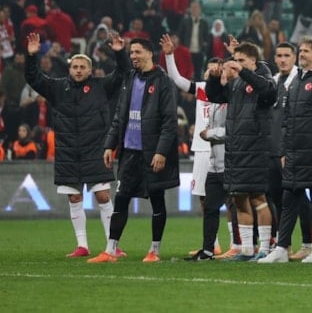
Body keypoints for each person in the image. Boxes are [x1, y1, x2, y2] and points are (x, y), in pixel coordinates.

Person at [24, 32, 127, 258]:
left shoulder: (101, 86)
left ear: (90, 70)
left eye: (83, 67)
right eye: (75, 67)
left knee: (103, 196)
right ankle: (82, 246)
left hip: (96, 150)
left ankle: (113, 245)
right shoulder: (58, 88)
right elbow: (34, 79)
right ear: (69, 69)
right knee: (74, 198)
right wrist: (31, 56)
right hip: (68, 152)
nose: (78, 70)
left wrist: (120, 53)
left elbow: (122, 73)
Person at [88, 38, 180, 263]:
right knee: (121, 199)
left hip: (152, 152)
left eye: (137, 52)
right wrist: (109, 144)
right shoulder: (129, 78)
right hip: (130, 152)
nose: (133, 56)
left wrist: (161, 152)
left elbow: (169, 121)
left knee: (157, 200)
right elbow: (119, 115)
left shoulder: (163, 82)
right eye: (131, 53)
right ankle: (110, 250)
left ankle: (154, 251)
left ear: (149, 53)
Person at [262, 36, 312, 264]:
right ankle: (282, 248)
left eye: (306, 51)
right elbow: (286, 121)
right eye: (301, 50)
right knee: (288, 200)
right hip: (294, 153)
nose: (302, 54)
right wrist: (284, 151)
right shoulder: (296, 81)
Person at [205, 41, 277, 261]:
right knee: (238, 198)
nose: (236, 64)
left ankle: (264, 248)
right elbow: (215, 96)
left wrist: (243, 71)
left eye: (241, 60)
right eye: (234, 60)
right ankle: (246, 249)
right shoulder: (236, 84)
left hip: (255, 147)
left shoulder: (263, 79)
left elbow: (268, 91)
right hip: (235, 149)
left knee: (258, 198)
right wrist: (214, 78)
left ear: (253, 61)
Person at [161, 34, 226, 259]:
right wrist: (169, 56)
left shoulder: (228, 90)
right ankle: (213, 244)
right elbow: (177, 79)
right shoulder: (201, 89)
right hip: (201, 148)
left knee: (232, 199)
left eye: (217, 68)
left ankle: (238, 244)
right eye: (210, 69)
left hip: (222, 147)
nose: (212, 72)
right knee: (203, 198)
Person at [270, 42, 312, 260]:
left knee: (300, 197)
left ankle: (307, 244)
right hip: (274, 149)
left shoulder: (300, 81)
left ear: (294, 57)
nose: (282, 59)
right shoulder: (274, 81)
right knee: (278, 198)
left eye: (287, 55)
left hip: (293, 149)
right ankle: (284, 244)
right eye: (279, 55)